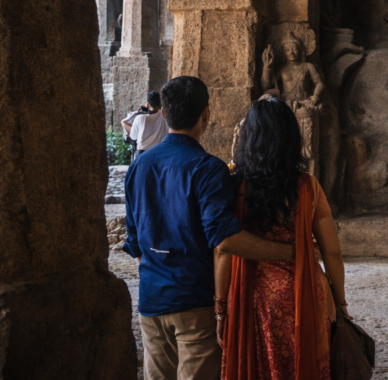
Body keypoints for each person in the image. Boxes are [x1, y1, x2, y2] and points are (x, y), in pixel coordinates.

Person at [123, 77, 298, 380]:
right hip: (194, 302)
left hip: (151, 301)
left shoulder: (139, 166)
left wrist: (158, 273)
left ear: (163, 113)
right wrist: (291, 252)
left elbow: (134, 240)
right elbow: (225, 239)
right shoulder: (208, 168)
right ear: (206, 113)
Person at [218, 98, 349, 380]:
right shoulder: (307, 187)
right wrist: (341, 304)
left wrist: (220, 308)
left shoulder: (235, 187)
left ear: (249, 137)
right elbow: (332, 253)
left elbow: (224, 250)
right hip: (303, 292)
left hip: (252, 294)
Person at [121, 91, 170, 161]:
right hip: (158, 152)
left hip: (142, 153)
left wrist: (123, 122)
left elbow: (133, 136)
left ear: (147, 104)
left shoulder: (140, 118)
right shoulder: (163, 115)